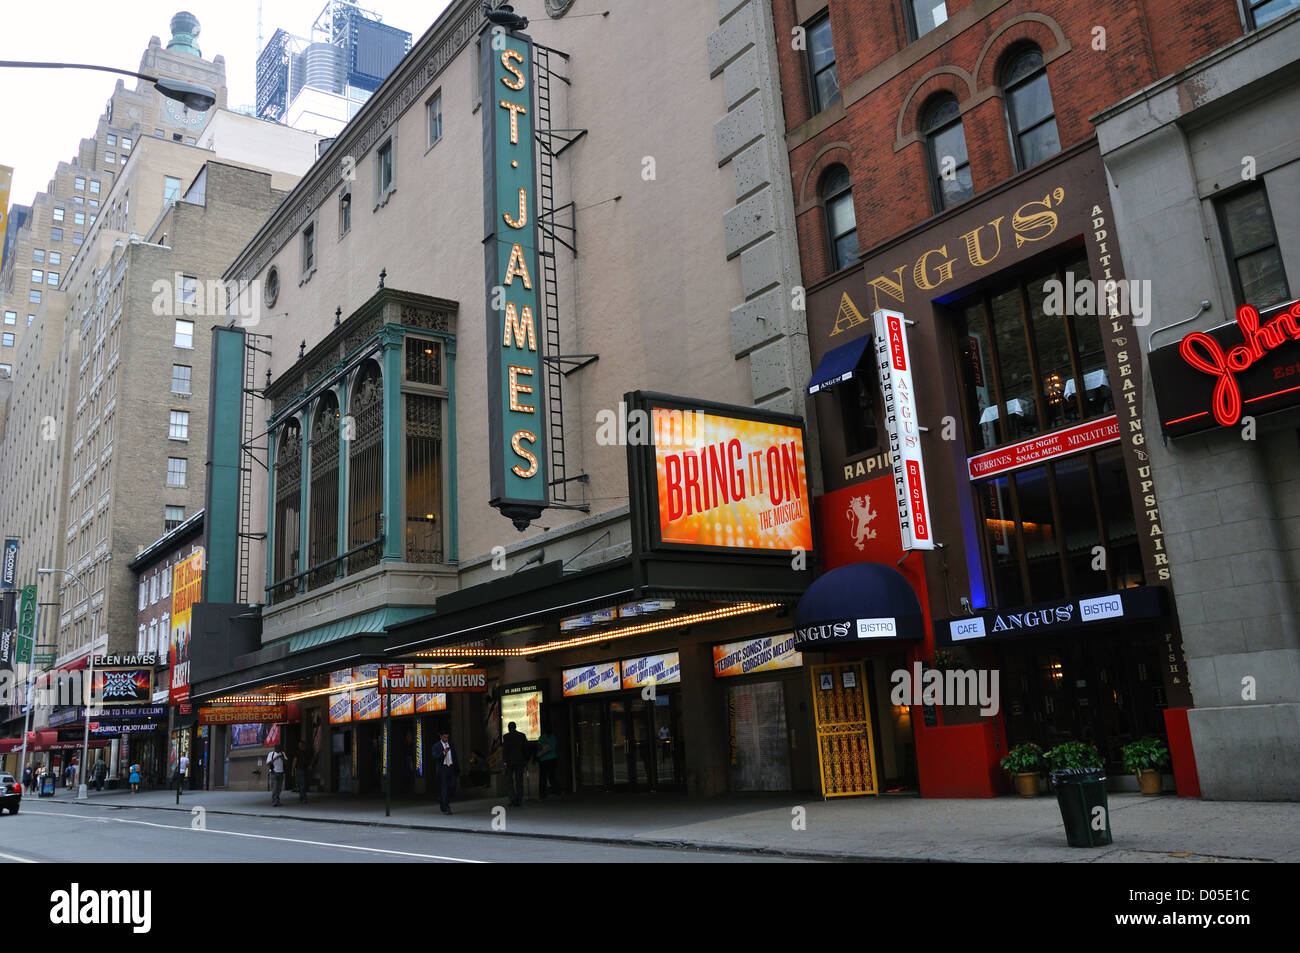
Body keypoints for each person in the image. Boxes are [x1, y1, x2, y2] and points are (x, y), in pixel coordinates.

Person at [502, 721, 527, 807]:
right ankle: (519, 799)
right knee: (519, 781)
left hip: (509, 762)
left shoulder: (506, 737)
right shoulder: (522, 736)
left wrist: (504, 762)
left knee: (509, 781)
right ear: (515, 727)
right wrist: (525, 761)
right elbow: (525, 749)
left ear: (509, 728)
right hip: (520, 761)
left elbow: (505, 750)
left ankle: (512, 799)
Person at [433, 730, 457, 814]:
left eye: (447, 737)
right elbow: (435, 757)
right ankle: (446, 808)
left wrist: (457, 768)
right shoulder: (436, 746)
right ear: (441, 736)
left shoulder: (451, 744)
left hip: (451, 767)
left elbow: (455, 756)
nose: (446, 739)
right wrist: (444, 752)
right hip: (443, 769)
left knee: (452, 786)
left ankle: (442, 801)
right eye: (445, 737)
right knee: (444, 788)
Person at [536, 727, 559, 799]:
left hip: (543, 759)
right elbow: (555, 747)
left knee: (543, 778)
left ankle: (543, 795)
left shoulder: (542, 738)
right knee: (552, 776)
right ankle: (557, 791)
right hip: (553, 758)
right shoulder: (554, 737)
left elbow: (539, 747)